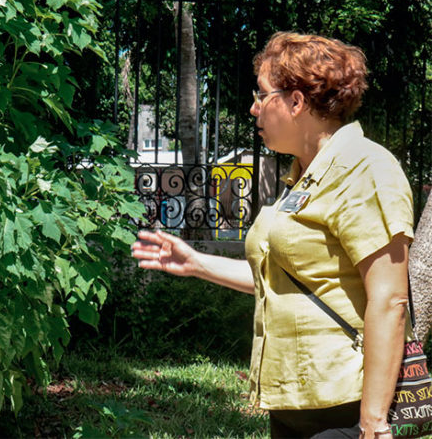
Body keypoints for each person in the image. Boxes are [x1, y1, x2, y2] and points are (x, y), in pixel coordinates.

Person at [131, 32, 415, 439]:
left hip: (346, 408)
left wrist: (372, 423)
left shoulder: (365, 169)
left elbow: (389, 300)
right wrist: (195, 263)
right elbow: (280, 280)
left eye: (262, 95)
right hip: (294, 403)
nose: (253, 108)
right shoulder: (303, 175)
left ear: (296, 102)